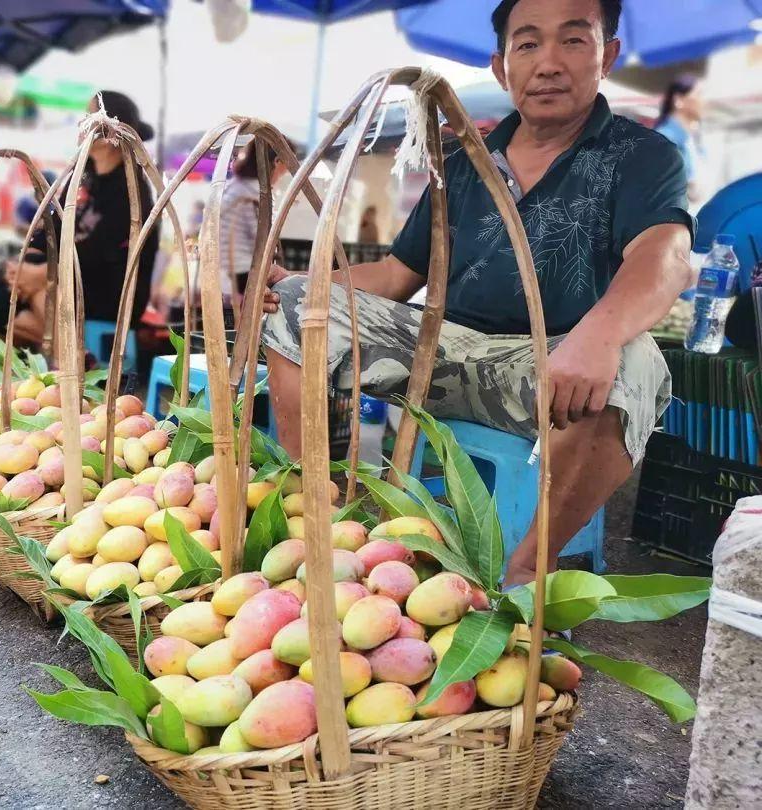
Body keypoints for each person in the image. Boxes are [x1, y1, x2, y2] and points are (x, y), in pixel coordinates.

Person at [258, 0, 693, 586]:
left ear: (607, 55)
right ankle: (320, 516)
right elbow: (393, 275)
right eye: (528, 44)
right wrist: (301, 284)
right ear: (500, 66)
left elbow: (662, 255)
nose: (548, 64)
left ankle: (523, 575)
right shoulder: (464, 162)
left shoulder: (642, 156)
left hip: (552, 371)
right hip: (441, 356)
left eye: (573, 40)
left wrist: (600, 334)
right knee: (297, 308)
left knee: (635, 361)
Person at [0, 91, 159, 353]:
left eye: (89, 116)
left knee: (46, 295)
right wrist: (25, 264)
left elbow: (96, 253)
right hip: (65, 276)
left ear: (110, 131)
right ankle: (66, 351)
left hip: (110, 290)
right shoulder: (82, 174)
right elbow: (53, 226)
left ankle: (69, 359)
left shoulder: (132, 190)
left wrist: (41, 275)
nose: (82, 123)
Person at [218, 138, 289, 305]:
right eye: (285, 169)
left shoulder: (235, 186)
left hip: (229, 276)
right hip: (240, 276)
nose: (283, 176)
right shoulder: (256, 192)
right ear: (277, 162)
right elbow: (258, 240)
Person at [654, 74, 705, 204]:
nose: (704, 101)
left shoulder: (695, 138)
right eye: (699, 94)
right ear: (679, 100)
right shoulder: (663, 140)